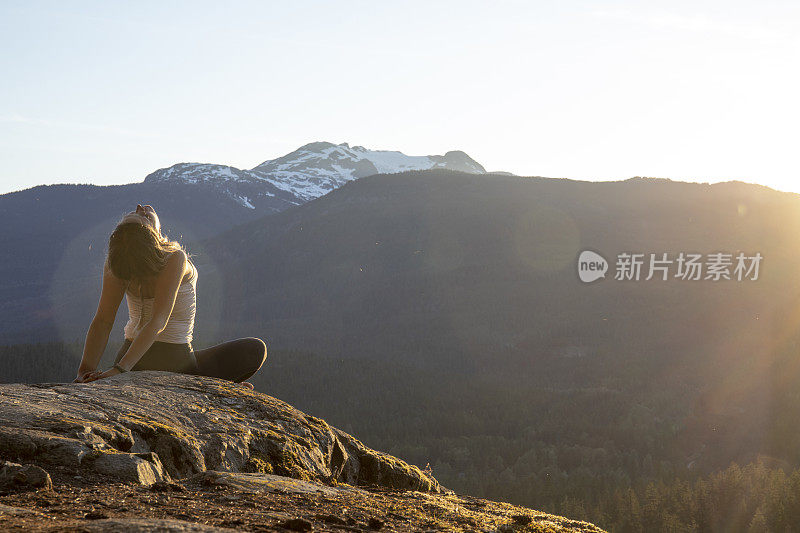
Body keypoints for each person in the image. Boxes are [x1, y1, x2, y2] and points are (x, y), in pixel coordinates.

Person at [74, 204, 266, 387]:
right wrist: (120, 370)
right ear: (151, 236)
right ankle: (211, 386)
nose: (140, 207)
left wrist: (85, 371)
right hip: (174, 360)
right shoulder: (174, 258)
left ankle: (214, 385)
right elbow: (158, 321)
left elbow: (103, 321)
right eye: (142, 216)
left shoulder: (116, 263)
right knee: (255, 350)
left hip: (129, 354)